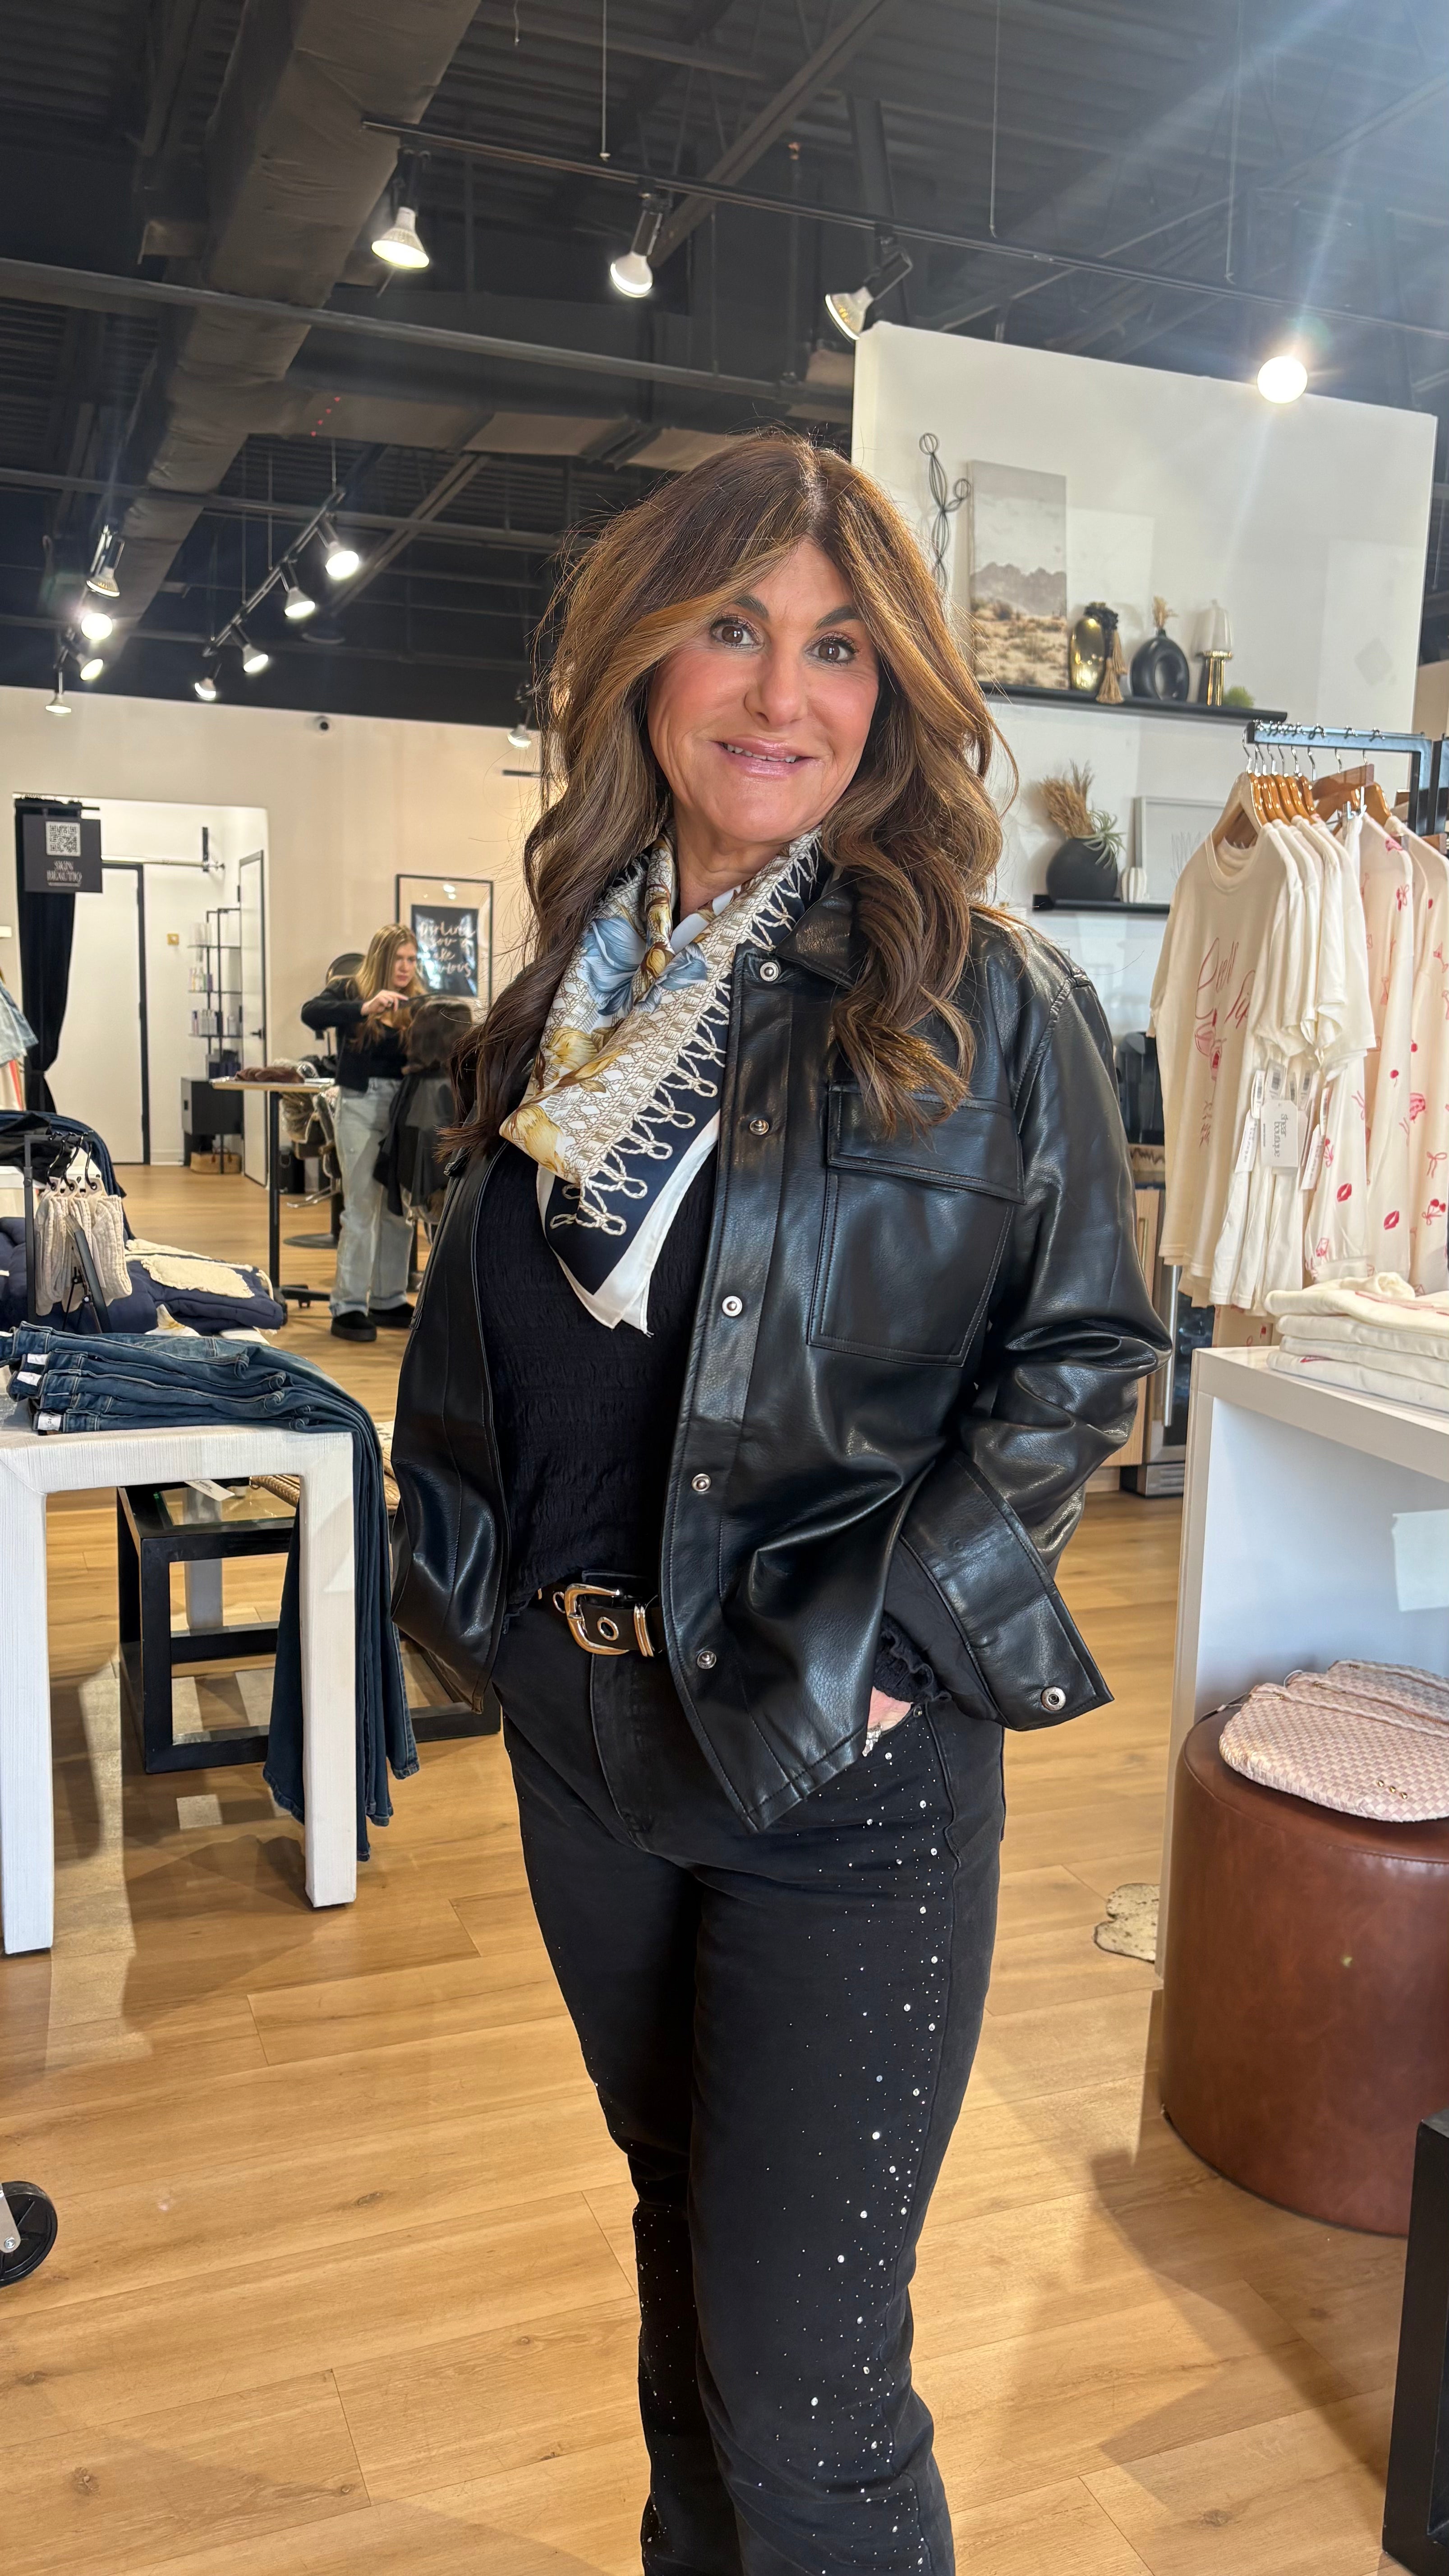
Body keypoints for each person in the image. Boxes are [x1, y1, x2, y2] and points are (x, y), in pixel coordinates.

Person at [391, 435, 1168, 2576]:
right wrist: (455, 1582)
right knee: (684, 2277)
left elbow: (1089, 1355)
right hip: (584, 1742)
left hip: (840, 1762)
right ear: (644, 654)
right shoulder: (570, 985)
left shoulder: (982, 1000)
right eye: (731, 625)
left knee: (811, 2395)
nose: (777, 692)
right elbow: (518, 1348)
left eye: (835, 646)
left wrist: (904, 1650)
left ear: (893, 691)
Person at [301, 923, 423, 1342]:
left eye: (411, 959)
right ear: (382, 958)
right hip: (361, 1104)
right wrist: (365, 1008)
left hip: (406, 1107)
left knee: (398, 1206)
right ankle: (349, 1305)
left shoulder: (417, 1000)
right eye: (399, 959)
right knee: (361, 1208)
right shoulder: (351, 990)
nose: (406, 967)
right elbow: (311, 1013)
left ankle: (388, 1298)